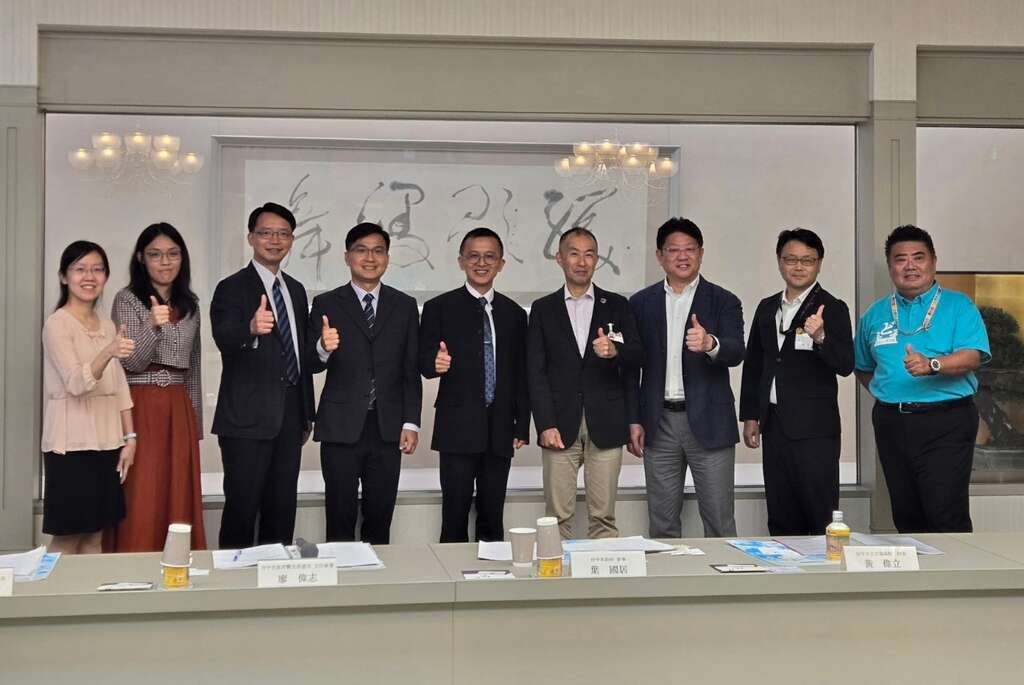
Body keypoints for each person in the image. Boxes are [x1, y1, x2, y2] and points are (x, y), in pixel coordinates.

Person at [855, 224, 990, 533]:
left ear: (933, 262)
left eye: (918, 257)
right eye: (900, 259)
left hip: (946, 420)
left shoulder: (958, 306)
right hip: (891, 421)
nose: (910, 266)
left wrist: (933, 365)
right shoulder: (875, 314)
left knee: (944, 513)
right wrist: (889, 392)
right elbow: (862, 366)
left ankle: (955, 566)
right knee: (905, 513)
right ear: (890, 266)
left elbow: (972, 356)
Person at [628, 218, 744, 538]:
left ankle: (722, 572)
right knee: (662, 522)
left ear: (701, 253)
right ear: (659, 255)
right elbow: (632, 366)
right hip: (659, 423)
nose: (683, 256)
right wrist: (634, 419)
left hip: (710, 421)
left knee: (719, 520)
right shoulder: (640, 303)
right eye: (674, 250)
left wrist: (710, 344)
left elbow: (736, 350)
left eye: (690, 249)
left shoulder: (724, 300)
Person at [309, 222, 422, 544]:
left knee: (380, 516)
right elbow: (310, 364)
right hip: (340, 426)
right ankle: (341, 575)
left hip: (388, 427)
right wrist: (323, 347)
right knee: (339, 514)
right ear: (347, 256)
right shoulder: (326, 303)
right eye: (361, 250)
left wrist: (411, 422)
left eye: (378, 251)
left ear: (387, 257)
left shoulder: (404, 305)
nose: (370, 258)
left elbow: (410, 369)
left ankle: (377, 573)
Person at [210, 203, 315, 548]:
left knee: (281, 510)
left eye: (283, 234)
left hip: (290, 419)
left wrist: (306, 412)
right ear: (251, 238)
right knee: (241, 510)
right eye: (266, 233)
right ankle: (232, 578)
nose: (275, 240)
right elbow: (223, 338)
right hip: (246, 421)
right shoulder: (231, 287)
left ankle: (276, 575)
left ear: (292, 240)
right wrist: (251, 328)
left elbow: (297, 354)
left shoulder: (295, 290)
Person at [527, 227, 641, 539]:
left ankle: (603, 572)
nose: (581, 262)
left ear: (597, 259)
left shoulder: (616, 305)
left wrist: (615, 351)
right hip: (558, 423)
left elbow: (637, 358)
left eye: (589, 254)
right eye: (574, 254)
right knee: (556, 518)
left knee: (603, 517)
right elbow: (535, 372)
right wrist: (544, 423)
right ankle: (555, 572)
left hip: (607, 422)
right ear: (559, 258)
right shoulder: (543, 309)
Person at [739, 228, 854, 536]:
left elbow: (846, 364)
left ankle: (824, 567)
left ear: (819, 264)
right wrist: (751, 415)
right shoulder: (767, 307)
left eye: (807, 260)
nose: (799, 267)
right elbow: (755, 364)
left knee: (818, 511)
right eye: (791, 259)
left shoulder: (832, 307)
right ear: (779, 262)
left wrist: (822, 337)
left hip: (815, 429)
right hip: (774, 423)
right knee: (780, 510)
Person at [419, 227, 529, 543]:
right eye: (474, 256)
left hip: (500, 429)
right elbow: (422, 360)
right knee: (454, 515)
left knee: (493, 515)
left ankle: (492, 572)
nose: (482, 263)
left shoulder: (514, 313)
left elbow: (521, 373)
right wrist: (434, 364)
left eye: (490, 257)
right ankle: (451, 572)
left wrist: (521, 425)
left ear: (501, 263)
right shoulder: (439, 307)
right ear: (461, 261)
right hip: (456, 427)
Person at [110, 222, 207, 552]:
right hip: (140, 404)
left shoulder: (191, 304)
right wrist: (151, 324)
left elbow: (193, 367)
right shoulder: (127, 299)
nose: (165, 262)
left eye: (173, 254)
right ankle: (134, 562)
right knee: (143, 491)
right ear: (141, 258)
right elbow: (132, 362)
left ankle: (177, 565)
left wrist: (194, 424)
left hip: (178, 408)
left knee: (177, 489)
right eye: (155, 254)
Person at [42, 241, 136, 554]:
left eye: (97, 269)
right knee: (68, 536)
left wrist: (130, 438)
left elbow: (119, 386)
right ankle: (53, 589)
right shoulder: (57, 324)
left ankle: (89, 590)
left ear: (106, 276)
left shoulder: (107, 325)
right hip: (71, 445)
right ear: (63, 276)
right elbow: (75, 383)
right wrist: (108, 351)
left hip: (107, 442)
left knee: (96, 533)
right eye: (80, 269)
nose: (89, 276)